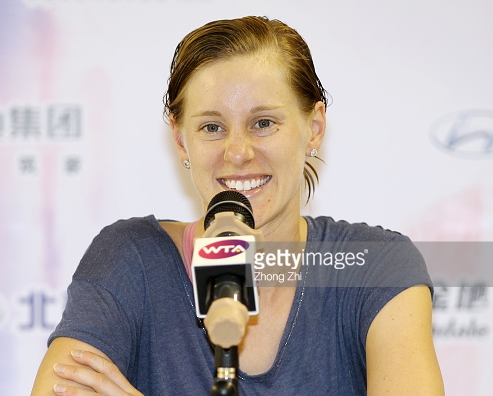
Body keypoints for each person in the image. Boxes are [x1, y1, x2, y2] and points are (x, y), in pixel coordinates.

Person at [31, 16, 444, 395]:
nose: (238, 152)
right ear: (180, 140)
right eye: (212, 127)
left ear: (314, 129)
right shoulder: (130, 258)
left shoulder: (374, 266)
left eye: (263, 123)